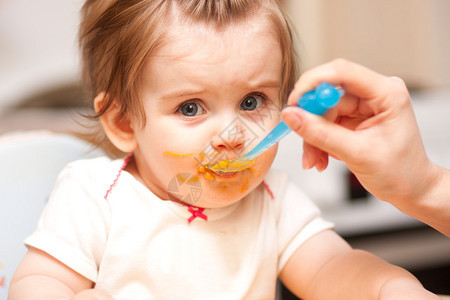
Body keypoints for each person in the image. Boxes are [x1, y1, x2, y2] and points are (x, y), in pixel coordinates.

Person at [8, 1, 439, 299]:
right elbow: (39, 280)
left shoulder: (273, 199)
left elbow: (332, 269)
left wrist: (389, 287)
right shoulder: (95, 197)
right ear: (123, 123)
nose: (232, 136)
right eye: (191, 107)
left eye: (252, 102)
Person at [282, 59, 450, 237]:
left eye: (252, 102)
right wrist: (427, 188)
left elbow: (331, 259)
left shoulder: (277, 203)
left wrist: (427, 187)